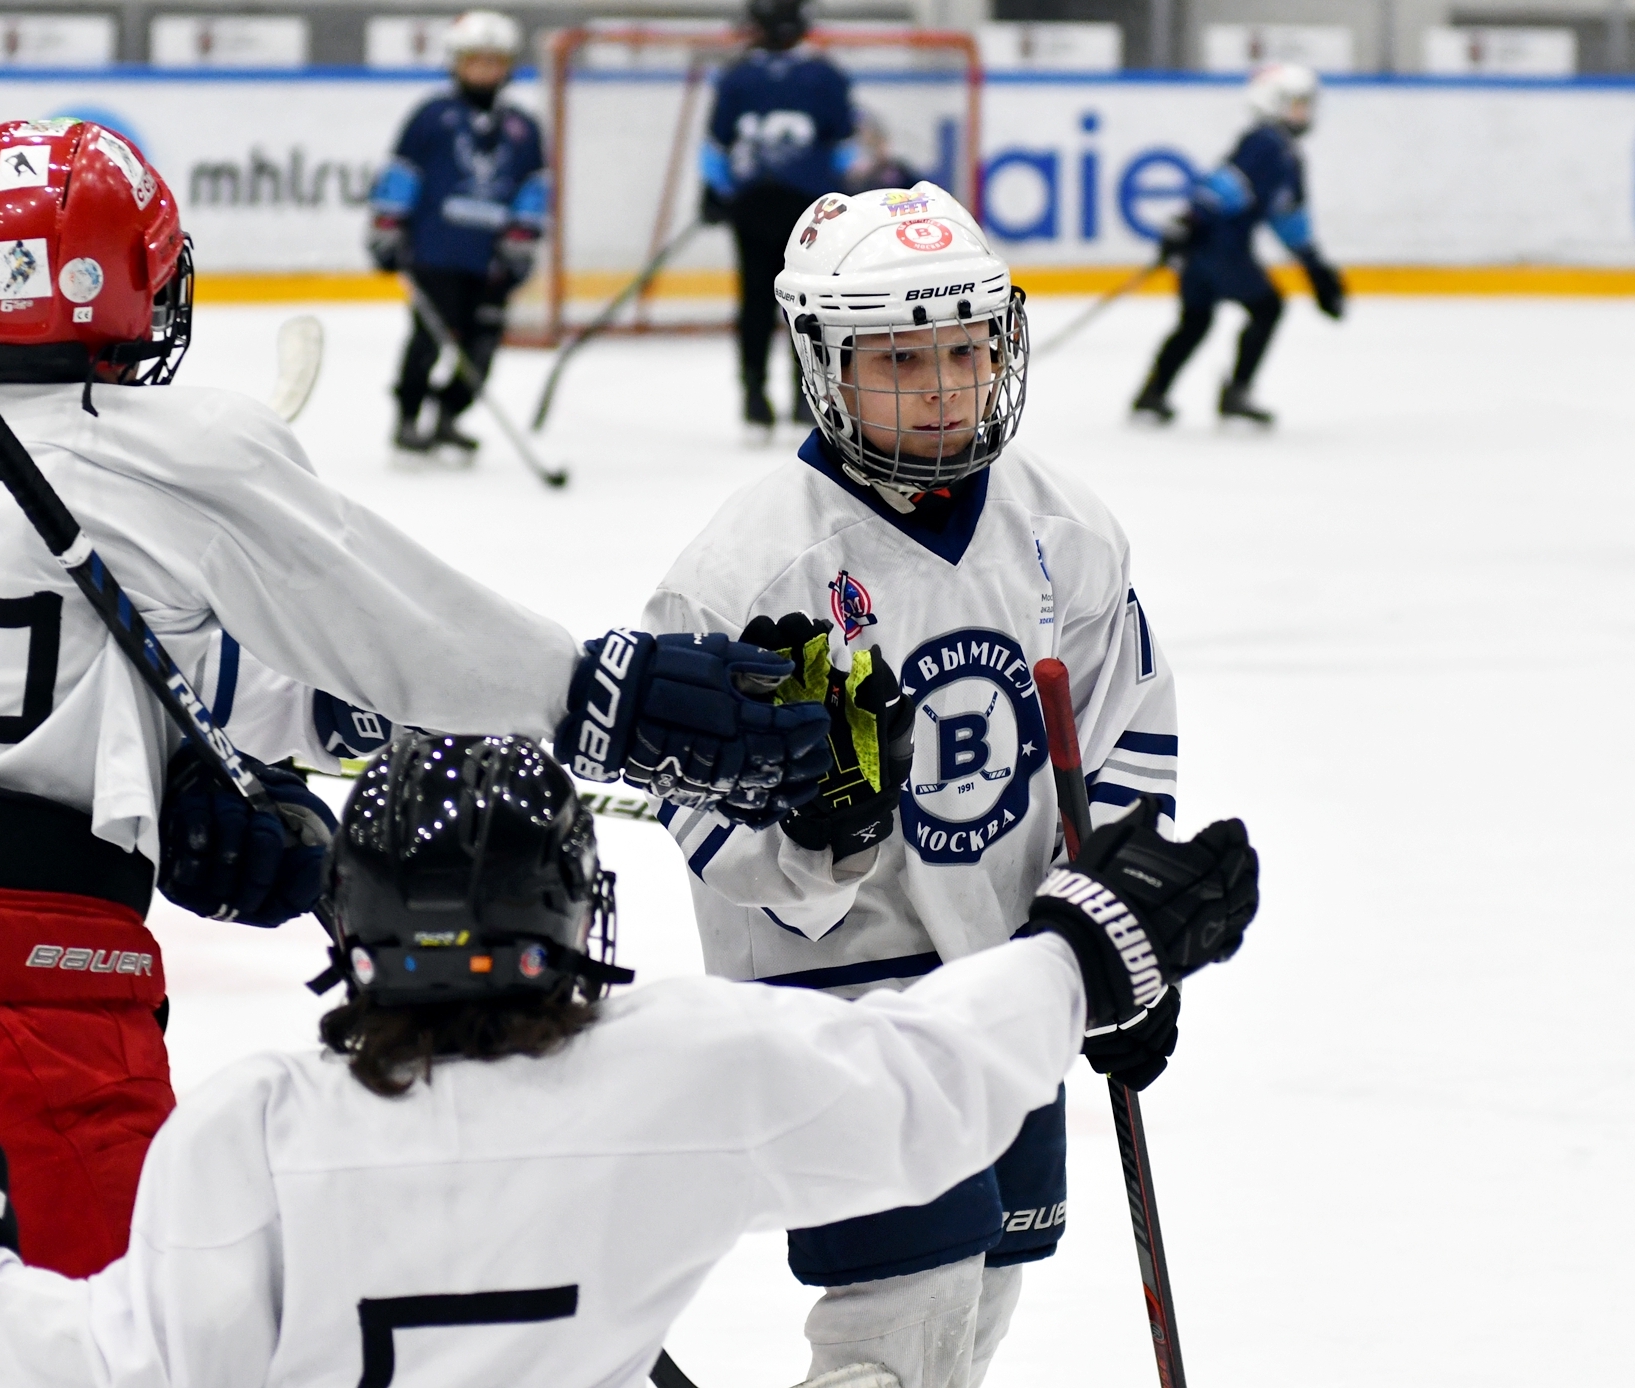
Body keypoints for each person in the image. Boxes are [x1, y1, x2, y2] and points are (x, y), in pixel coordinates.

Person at [0, 117, 828, 1280]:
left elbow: (168, 665)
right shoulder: (163, 453)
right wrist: (609, 695)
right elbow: (401, 633)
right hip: (47, 1007)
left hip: (55, 966)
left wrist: (195, 770)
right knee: (104, 1340)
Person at [0, 732, 1259, 1387]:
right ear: (569, 909)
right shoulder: (667, 1071)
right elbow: (916, 1084)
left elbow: (120, 1365)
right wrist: (1080, 951)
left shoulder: (252, 1131)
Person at [642, 181, 1190, 1388]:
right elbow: (695, 806)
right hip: (848, 995)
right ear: (825, 363)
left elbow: (1123, 743)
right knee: (901, 1323)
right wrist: (811, 839)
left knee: (983, 1295)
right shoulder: (750, 567)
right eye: (900, 357)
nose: (944, 384)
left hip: (1009, 974)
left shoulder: (1064, 531)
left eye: (964, 348)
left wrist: (1118, 937)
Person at [368, 10, 547, 456]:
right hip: (435, 253)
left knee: (482, 348)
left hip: (490, 261)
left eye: (494, 60)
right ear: (456, 62)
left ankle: (448, 416)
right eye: (475, 60)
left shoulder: (524, 128)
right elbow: (401, 175)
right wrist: (387, 227)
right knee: (427, 340)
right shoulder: (432, 117)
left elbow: (534, 190)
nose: (485, 70)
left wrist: (522, 241)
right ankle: (408, 419)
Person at [1131, 61, 1345, 427]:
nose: (1305, 111)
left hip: (1204, 249)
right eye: (1297, 102)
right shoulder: (1270, 144)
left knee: (1195, 321)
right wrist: (1192, 219)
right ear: (1272, 102)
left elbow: (1283, 214)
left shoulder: (1280, 149)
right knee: (1267, 308)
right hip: (1222, 250)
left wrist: (1314, 265)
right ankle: (1237, 392)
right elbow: (1229, 185)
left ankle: (1152, 393)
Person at [700, 0, 853, 432]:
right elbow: (717, 143)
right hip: (774, 205)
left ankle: (798, 390)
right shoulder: (750, 75)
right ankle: (758, 390)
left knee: (799, 303)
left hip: (805, 212)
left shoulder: (819, 75)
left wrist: (715, 188)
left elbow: (844, 143)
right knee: (770, 301)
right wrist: (714, 188)